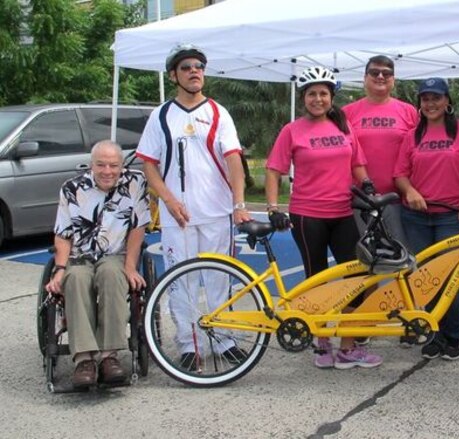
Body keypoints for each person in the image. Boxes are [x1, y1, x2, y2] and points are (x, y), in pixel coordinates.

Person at [136, 44, 251, 371]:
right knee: (181, 281)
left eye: (199, 66)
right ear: (174, 75)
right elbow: (150, 166)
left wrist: (239, 204)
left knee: (219, 279)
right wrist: (169, 201)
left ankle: (224, 340)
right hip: (178, 217)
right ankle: (189, 344)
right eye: (186, 67)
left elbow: (233, 160)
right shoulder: (161, 115)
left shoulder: (218, 112)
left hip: (217, 213)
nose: (194, 71)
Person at [265, 66, 382, 370]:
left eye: (323, 94)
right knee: (315, 280)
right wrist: (273, 207)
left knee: (355, 277)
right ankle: (321, 344)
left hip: (342, 212)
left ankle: (347, 346)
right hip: (308, 215)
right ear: (304, 98)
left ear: (331, 97)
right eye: (312, 94)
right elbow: (274, 170)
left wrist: (368, 187)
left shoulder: (343, 127)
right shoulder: (292, 130)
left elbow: (357, 164)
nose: (318, 99)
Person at [394, 77, 459, 361]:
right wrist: (410, 192)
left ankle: (453, 337)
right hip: (418, 217)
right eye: (425, 99)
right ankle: (434, 333)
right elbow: (399, 175)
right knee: (426, 279)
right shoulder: (412, 135)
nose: (431, 103)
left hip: (452, 216)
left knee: (450, 279)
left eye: (436, 97)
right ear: (420, 104)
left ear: (447, 101)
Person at [45, 140, 150, 388]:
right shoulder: (72, 188)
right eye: (101, 165)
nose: (107, 171)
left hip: (115, 254)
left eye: (113, 165)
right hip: (79, 256)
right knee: (77, 279)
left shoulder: (135, 183)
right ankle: (84, 359)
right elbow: (62, 233)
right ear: (91, 165)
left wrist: (131, 266)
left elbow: (138, 227)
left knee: (113, 276)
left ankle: (108, 356)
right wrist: (59, 270)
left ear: (121, 166)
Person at [343, 55, 418, 243]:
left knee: (401, 257)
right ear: (365, 78)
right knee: (365, 261)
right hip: (359, 201)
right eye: (374, 72)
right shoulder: (347, 113)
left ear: (393, 80)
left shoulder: (409, 111)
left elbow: (419, 153)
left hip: (398, 200)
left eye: (387, 73)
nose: (380, 77)